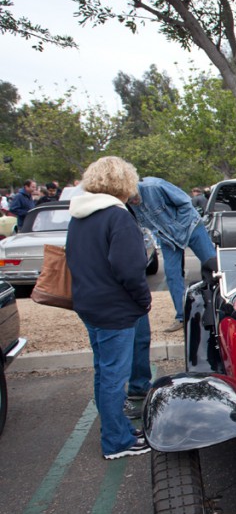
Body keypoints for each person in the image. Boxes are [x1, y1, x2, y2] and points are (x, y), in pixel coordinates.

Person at [66, 156, 152, 460]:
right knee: (115, 377)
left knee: (104, 373)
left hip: (88, 303)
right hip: (115, 308)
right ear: (125, 182)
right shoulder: (118, 217)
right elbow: (130, 269)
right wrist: (143, 300)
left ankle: (117, 431)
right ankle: (117, 440)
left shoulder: (80, 215)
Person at [132, 176, 217, 331]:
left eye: (133, 197)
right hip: (166, 237)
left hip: (191, 227)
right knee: (172, 274)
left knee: (213, 265)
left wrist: (179, 229)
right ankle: (182, 316)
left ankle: (221, 308)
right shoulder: (126, 201)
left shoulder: (154, 186)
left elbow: (185, 203)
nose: (133, 202)